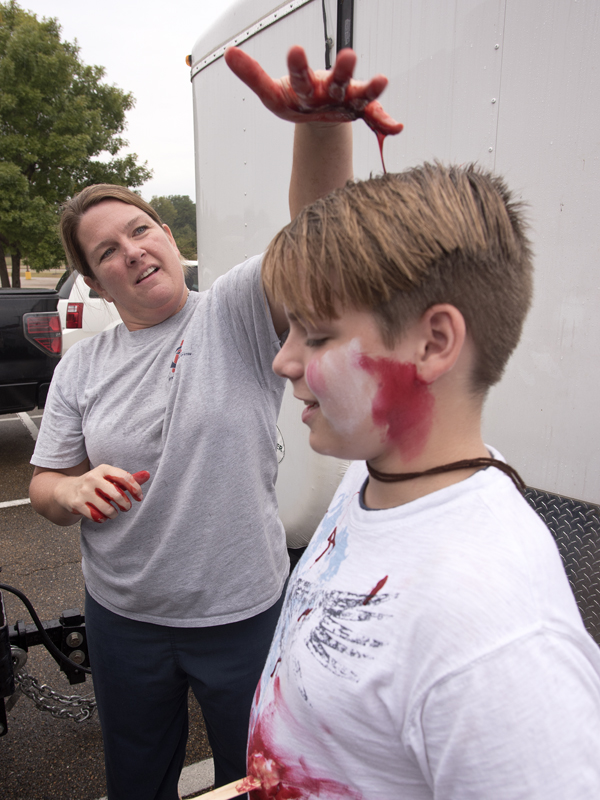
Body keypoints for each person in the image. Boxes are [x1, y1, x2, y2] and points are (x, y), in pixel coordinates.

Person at [28, 46, 402, 800]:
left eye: (140, 229)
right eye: (107, 251)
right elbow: (42, 481)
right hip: (123, 620)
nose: (132, 252)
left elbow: (317, 231)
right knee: (136, 776)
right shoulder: (83, 367)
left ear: (166, 232)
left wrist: (322, 125)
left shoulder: (232, 313)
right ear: (94, 277)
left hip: (242, 615)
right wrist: (69, 495)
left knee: (259, 777)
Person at [246, 164, 600, 799]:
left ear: (434, 343)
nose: (283, 360)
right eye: (288, 329)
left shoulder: (491, 633)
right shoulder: (375, 474)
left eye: (317, 335)